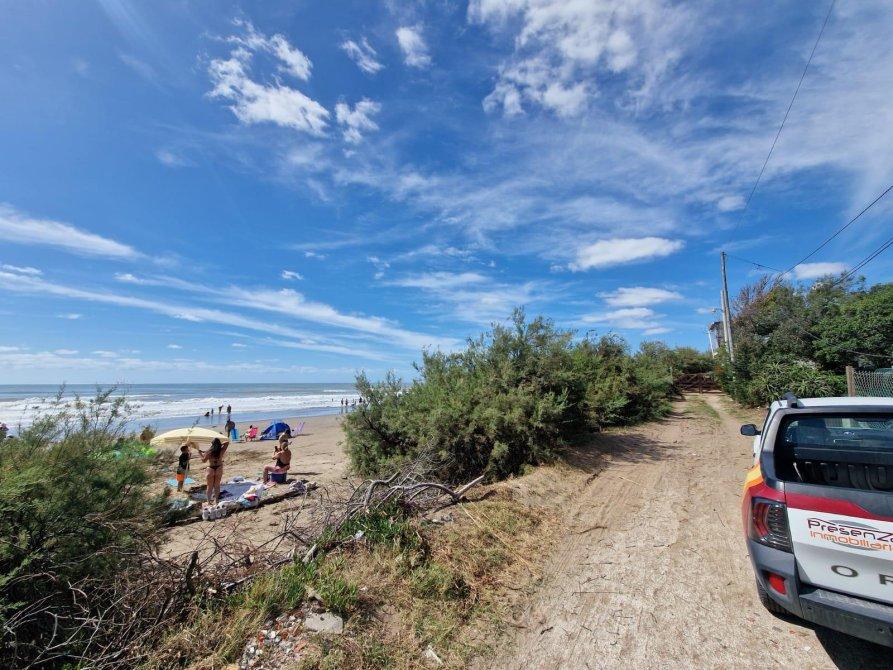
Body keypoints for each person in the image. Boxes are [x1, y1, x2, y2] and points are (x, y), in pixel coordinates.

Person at [199, 437, 228, 504]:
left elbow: (204, 460)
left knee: (209, 486)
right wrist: (220, 445)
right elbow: (227, 442)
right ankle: (216, 500)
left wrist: (200, 453)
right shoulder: (221, 450)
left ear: (212, 444)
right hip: (219, 468)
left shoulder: (209, 451)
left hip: (211, 469)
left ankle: (209, 502)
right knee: (217, 485)